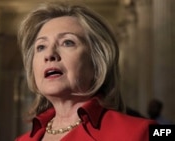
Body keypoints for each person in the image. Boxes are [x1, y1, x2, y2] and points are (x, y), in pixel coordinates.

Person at [16, 2, 156, 141]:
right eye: (41, 47)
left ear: (97, 61)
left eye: (67, 42)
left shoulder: (143, 132)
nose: (49, 54)